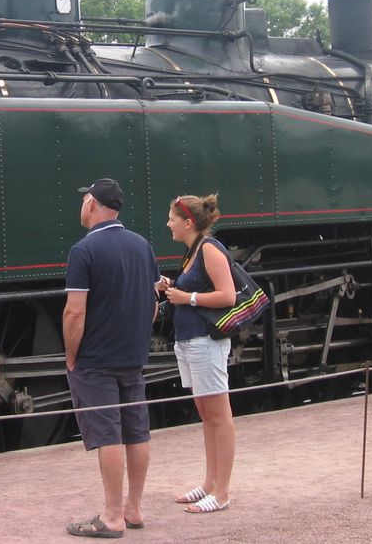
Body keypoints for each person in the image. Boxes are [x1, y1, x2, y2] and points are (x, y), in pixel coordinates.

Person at [63, 178, 160, 539]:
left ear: (91, 203)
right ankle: (134, 509)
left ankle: (113, 516)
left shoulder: (83, 252)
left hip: (96, 359)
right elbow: (151, 306)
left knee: (108, 436)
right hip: (132, 356)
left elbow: (75, 313)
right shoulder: (142, 246)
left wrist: (72, 356)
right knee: (136, 431)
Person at [159, 193, 236, 513]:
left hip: (206, 341)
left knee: (219, 416)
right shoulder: (192, 253)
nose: (168, 224)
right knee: (207, 415)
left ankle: (222, 492)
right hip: (190, 341)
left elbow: (228, 296)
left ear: (188, 222)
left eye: (172, 219)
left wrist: (186, 297)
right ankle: (209, 483)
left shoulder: (209, 249)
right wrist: (171, 290)